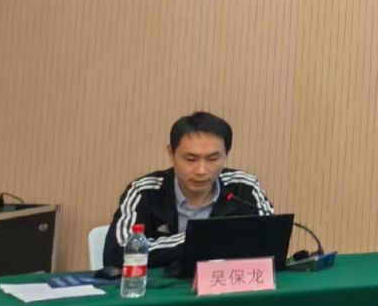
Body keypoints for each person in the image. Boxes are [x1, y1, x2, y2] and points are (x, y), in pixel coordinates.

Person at [101, 110, 273, 272]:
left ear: (226, 155)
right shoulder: (144, 191)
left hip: (224, 287)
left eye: (213, 159)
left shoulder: (243, 187)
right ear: (171, 153)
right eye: (191, 159)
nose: (201, 170)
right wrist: (203, 238)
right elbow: (118, 253)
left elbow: (271, 244)